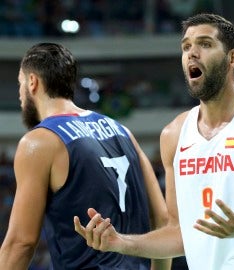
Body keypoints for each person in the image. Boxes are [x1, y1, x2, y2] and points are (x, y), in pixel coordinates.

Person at [74, 13, 234, 269]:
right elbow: (180, 233)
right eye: (186, 46)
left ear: (232, 58)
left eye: (205, 44)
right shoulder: (174, 134)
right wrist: (120, 242)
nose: (192, 53)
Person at [0, 42, 171, 270]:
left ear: (32, 82)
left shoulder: (39, 141)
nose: (21, 96)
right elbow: (162, 220)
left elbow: (21, 243)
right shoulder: (123, 131)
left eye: (21, 84)